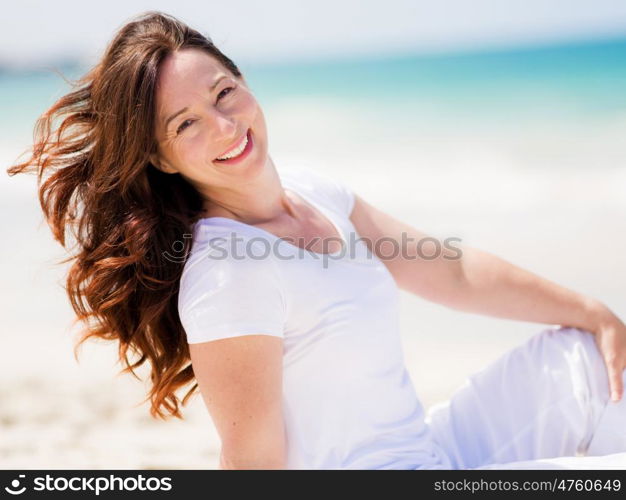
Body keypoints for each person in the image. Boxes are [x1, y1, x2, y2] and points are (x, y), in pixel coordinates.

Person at [7, 11, 626, 470]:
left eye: (224, 92)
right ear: (161, 159)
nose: (225, 125)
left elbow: (447, 270)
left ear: (244, 82)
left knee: (594, 357)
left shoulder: (312, 189)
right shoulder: (228, 276)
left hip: (436, 449)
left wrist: (592, 311)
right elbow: (252, 461)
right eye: (186, 124)